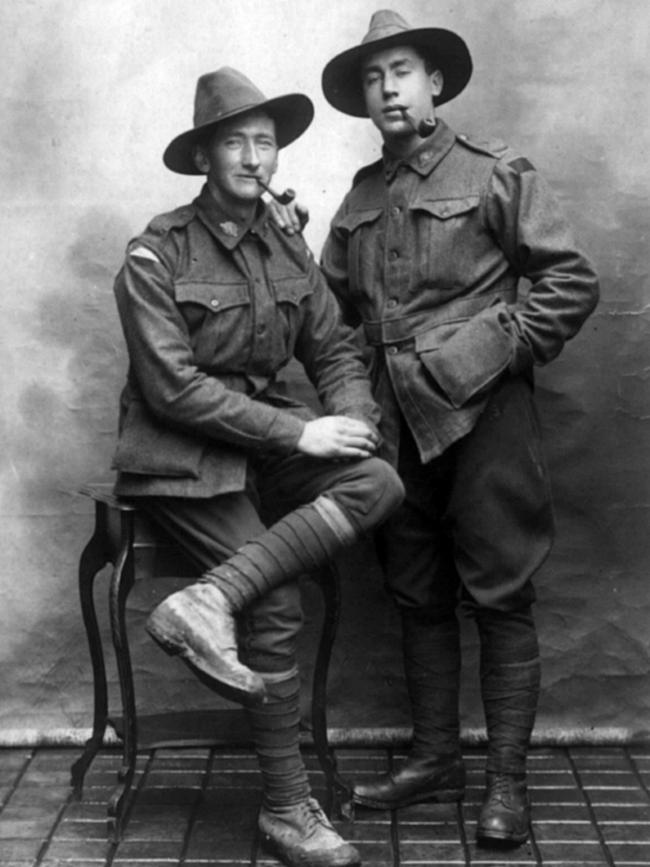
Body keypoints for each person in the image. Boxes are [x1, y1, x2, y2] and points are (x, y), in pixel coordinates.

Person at [315, 9, 600, 848]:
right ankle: (436, 756)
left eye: (400, 69)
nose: (387, 87)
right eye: (373, 77)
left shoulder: (495, 172)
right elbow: (329, 317)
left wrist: (493, 347)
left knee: (501, 592)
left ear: (434, 81)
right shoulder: (360, 197)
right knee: (416, 592)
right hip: (394, 423)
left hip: (484, 416)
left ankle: (506, 782)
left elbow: (568, 281)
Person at [110, 65, 404, 867]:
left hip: (264, 452)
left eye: (265, 142)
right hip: (182, 459)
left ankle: (206, 599)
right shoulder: (156, 250)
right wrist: (298, 433)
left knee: (378, 479)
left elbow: (335, 346)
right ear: (204, 155)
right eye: (235, 142)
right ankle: (285, 808)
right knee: (275, 603)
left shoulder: (286, 244)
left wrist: (354, 420)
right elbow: (173, 389)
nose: (253, 157)